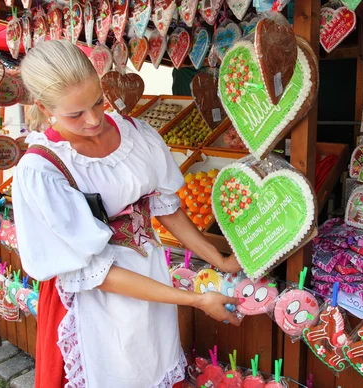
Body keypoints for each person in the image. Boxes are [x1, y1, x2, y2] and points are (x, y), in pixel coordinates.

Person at [13, 40, 242, 388]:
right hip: (95, 300)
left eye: (97, 103)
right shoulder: (42, 170)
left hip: (151, 278)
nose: (93, 120)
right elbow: (96, 273)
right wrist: (195, 300)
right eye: (76, 114)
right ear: (45, 108)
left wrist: (220, 260)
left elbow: (166, 208)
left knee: (153, 363)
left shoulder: (136, 133)